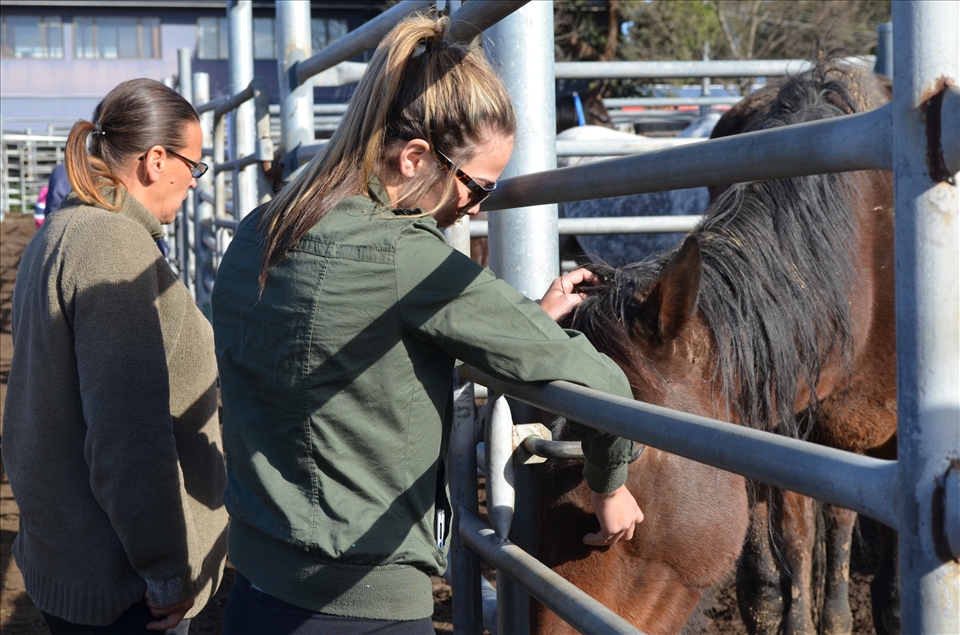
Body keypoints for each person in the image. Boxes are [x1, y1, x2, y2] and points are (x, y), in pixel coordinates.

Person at [211, 14, 643, 635]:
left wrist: (519, 323)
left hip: (255, 582)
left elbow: (359, 354)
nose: (474, 207)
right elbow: (599, 379)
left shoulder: (261, 229)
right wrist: (609, 483)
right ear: (415, 157)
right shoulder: (406, 258)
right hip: (361, 601)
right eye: (476, 188)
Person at [2, 78, 228, 634]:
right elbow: (127, 432)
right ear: (156, 160)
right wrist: (168, 573)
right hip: (124, 586)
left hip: (73, 558)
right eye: (194, 167)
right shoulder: (112, 245)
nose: (195, 184)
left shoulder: (60, 230)